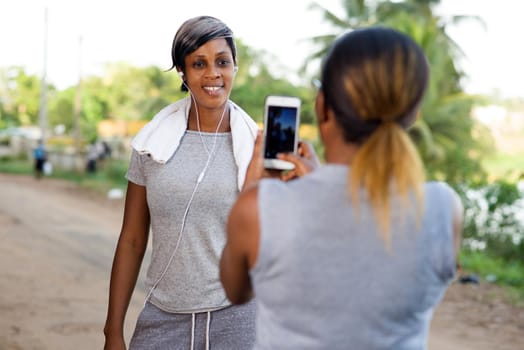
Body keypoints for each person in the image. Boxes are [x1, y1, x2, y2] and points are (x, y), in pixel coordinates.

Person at [220, 26, 464, 349]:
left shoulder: (260, 209)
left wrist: (253, 189)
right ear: (414, 113)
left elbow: (236, 291)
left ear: (322, 106)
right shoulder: (442, 210)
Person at [103, 16, 258, 350]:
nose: (213, 74)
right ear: (183, 73)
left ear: (235, 67)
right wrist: (112, 331)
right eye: (198, 64)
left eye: (222, 62)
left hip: (239, 320)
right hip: (163, 317)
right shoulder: (151, 144)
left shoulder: (257, 147)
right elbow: (131, 239)